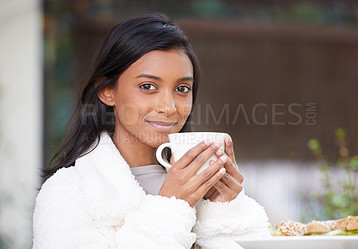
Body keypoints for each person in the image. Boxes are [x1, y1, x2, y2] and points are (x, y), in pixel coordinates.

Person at [32, 13, 271, 249]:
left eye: (182, 88)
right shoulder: (68, 192)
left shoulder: (203, 189)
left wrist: (228, 210)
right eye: (148, 86)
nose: (168, 107)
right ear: (107, 91)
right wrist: (171, 205)